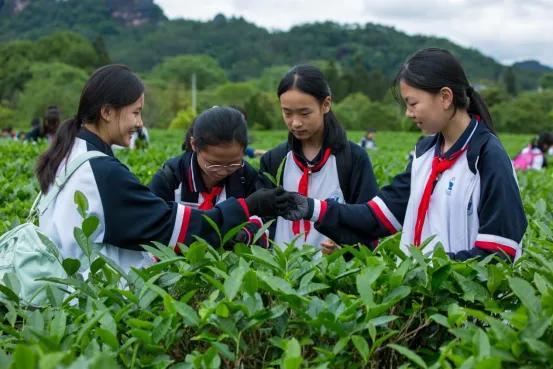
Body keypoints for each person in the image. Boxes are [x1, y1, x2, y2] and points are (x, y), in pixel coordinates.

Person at [35, 64, 289, 273]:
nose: (140, 123)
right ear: (107, 112)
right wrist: (248, 207)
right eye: (135, 112)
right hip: (85, 298)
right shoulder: (102, 172)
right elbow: (172, 226)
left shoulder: (69, 153)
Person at [281, 48, 527, 262]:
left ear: (445, 97)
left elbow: (498, 252)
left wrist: (423, 269)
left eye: (413, 103)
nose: (408, 113)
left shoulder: (486, 157)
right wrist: (310, 207)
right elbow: (377, 216)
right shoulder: (425, 155)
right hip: (420, 308)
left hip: (464, 313)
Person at [258, 64, 378, 253]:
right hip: (281, 272)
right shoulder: (274, 160)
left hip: (334, 274)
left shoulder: (352, 159)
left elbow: (370, 221)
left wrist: (348, 248)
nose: (295, 122)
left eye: (305, 113)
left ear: (326, 104)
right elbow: (262, 220)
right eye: (287, 113)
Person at [149, 106, 266, 246]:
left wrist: (246, 234)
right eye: (213, 163)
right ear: (194, 145)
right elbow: (152, 223)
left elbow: (264, 221)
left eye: (233, 163)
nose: (222, 171)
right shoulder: (171, 178)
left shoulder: (246, 177)